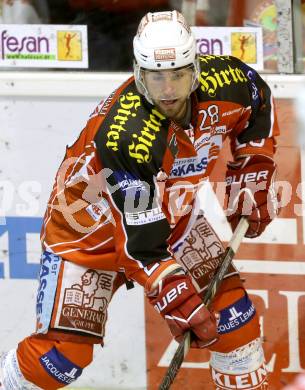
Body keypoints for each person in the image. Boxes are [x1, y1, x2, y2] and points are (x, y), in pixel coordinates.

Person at [0, 10, 279, 390]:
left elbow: (258, 97)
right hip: (88, 235)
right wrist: (175, 296)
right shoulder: (126, 134)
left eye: (178, 74)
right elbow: (142, 245)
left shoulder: (227, 79)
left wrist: (254, 164)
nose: (168, 90)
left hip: (172, 218)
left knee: (234, 320)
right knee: (59, 359)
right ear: (137, 72)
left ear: (196, 68)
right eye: (155, 77)